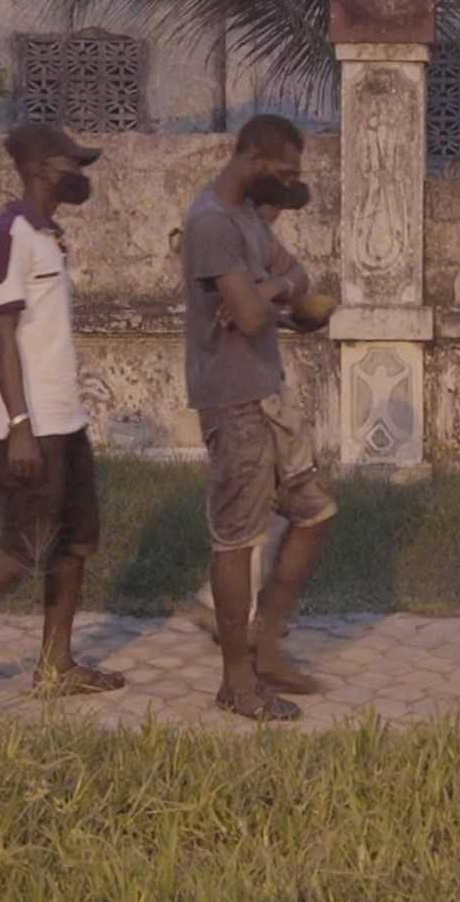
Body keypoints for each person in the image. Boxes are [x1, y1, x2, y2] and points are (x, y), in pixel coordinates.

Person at [0, 122, 125, 702]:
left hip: (65, 421)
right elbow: (2, 336)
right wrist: (17, 427)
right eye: (72, 163)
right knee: (19, 551)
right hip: (29, 426)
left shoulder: (48, 235)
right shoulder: (6, 234)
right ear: (40, 169)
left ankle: (56, 665)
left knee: (74, 544)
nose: (80, 174)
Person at [182, 115, 338, 721]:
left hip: (268, 392)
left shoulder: (247, 217)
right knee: (237, 540)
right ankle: (236, 681)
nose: (293, 183)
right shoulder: (211, 222)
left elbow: (297, 279)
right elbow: (247, 321)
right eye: (287, 170)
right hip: (232, 398)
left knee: (315, 510)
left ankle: (265, 645)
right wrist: (268, 298)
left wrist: (264, 290)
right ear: (254, 156)